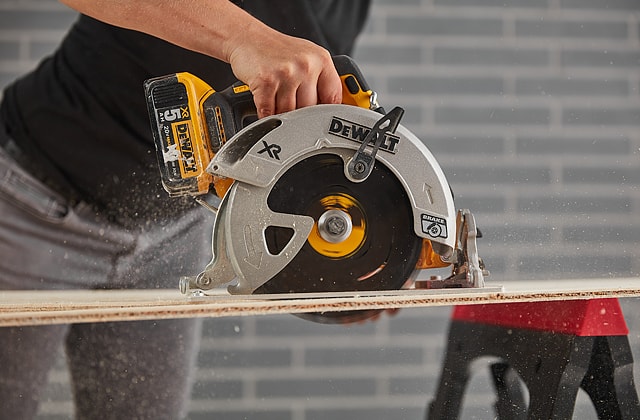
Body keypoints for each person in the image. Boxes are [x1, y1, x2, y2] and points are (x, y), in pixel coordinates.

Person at [0, 1, 370, 418]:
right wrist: (246, 38)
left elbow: (299, 131)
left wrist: (373, 246)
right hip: (29, 205)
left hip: (174, 232)